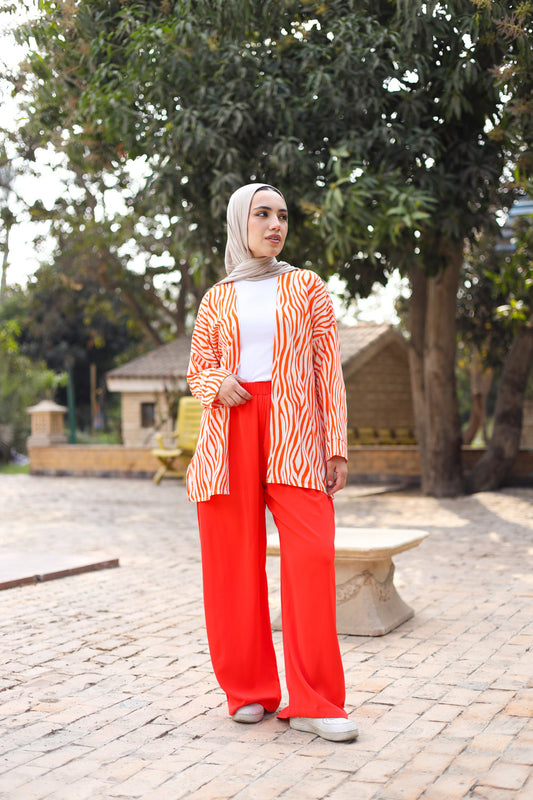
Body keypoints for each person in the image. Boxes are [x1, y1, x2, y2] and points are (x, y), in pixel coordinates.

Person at [186, 183, 357, 742]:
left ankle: (316, 701)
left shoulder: (306, 286)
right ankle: (249, 690)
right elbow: (198, 368)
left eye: (282, 215)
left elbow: (328, 370)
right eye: (262, 214)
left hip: (296, 433)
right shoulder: (217, 298)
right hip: (230, 430)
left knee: (312, 558)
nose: (275, 224)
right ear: (241, 222)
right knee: (233, 564)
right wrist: (218, 382)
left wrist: (335, 446)